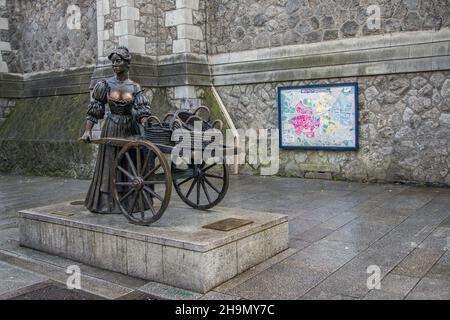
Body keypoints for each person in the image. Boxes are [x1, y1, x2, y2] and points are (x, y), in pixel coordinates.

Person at [80, 46, 151, 214]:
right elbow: (95, 108)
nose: (115, 64)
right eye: (113, 62)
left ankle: (131, 200)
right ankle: (108, 203)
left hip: (130, 128)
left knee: (131, 163)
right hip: (111, 127)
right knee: (111, 164)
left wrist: (145, 122)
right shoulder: (104, 85)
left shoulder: (135, 87)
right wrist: (87, 131)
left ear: (127, 63)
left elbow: (142, 110)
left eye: (118, 61)